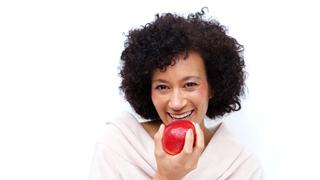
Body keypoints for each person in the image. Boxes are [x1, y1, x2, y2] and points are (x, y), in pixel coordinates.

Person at [89, 8, 264, 180]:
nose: (176, 103)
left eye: (189, 85)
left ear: (212, 87)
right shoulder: (119, 144)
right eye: (163, 87)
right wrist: (167, 176)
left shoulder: (242, 167)